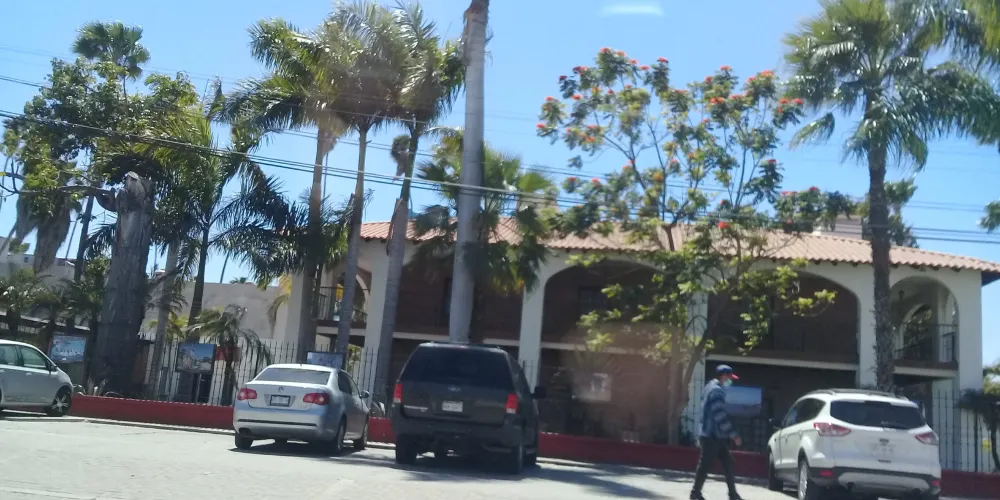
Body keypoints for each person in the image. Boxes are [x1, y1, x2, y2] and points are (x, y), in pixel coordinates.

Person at [690, 364, 742, 500]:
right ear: (724, 376)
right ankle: (695, 493)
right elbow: (719, 415)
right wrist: (734, 434)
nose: (730, 381)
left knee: (727, 463)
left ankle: (733, 495)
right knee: (705, 465)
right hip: (712, 435)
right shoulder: (717, 391)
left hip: (712, 435)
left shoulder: (708, 387)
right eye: (730, 378)